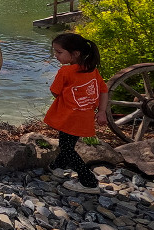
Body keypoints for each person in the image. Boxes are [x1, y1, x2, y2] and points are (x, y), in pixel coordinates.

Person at [44, 32, 109, 194]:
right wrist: (101, 111)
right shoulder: (91, 70)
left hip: (69, 117)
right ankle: (56, 166)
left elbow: (54, 92)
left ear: (75, 54)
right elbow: (103, 90)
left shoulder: (65, 72)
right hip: (84, 117)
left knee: (66, 148)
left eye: (59, 52)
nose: (56, 55)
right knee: (68, 144)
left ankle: (89, 181)